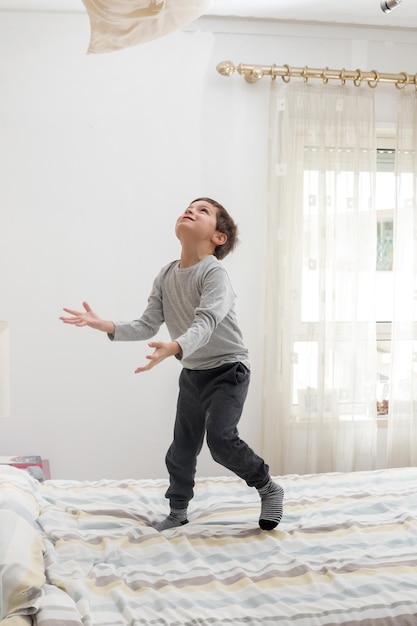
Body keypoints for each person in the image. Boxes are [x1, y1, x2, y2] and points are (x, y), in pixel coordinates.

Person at [60, 197, 284, 531]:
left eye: (203, 211)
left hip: (228, 370)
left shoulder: (214, 273)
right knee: (182, 449)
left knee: (221, 442)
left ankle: (267, 487)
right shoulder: (166, 274)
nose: (191, 210)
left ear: (218, 237)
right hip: (193, 374)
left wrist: (175, 346)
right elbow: (148, 324)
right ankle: (178, 511)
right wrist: (106, 324)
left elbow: (206, 322)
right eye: (190, 206)